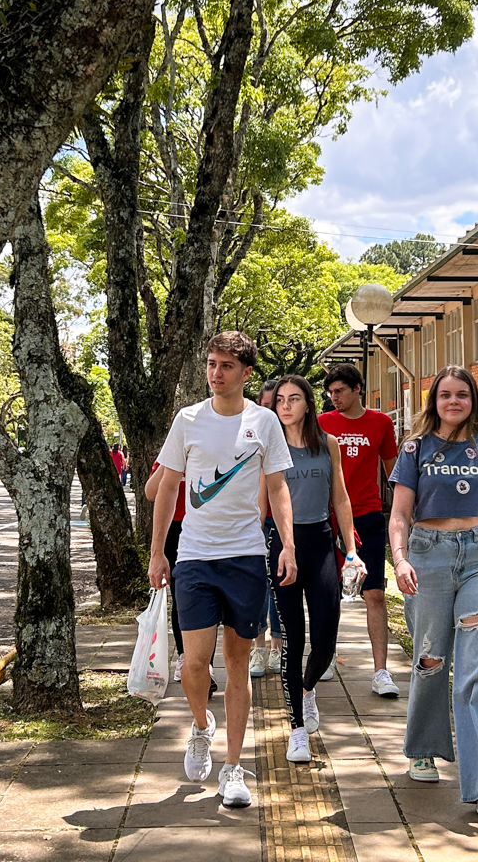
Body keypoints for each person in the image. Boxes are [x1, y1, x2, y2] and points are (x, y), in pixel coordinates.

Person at [149, 331, 296, 809]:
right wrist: (157, 553)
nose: (216, 373)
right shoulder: (188, 419)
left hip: (246, 557)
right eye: (211, 363)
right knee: (193, 664)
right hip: (194, 557)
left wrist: (287, 546)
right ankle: (200, 725)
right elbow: (166, 489)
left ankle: (233, 768)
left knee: (237, 665)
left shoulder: (264, 422)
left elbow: (277, 489)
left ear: (246, 372)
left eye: (227, 365)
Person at [388, 365, 478, 826]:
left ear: (473, 400)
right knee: (431, 658)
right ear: (433, 401)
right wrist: (400, 560)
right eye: (445, 395)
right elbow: (400, 513)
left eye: (462, 395)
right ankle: (422, 749)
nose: (454, 402)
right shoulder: (415, 449)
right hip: (428, 557)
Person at [269, 375, 365, 763]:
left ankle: (307, 689)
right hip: (282, 547)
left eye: (295, 399)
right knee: (292, 638)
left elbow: (340, 499)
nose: (287, 405)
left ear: (309, 404)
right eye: (280, 400)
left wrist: (352, 550)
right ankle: (296, 729)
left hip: (321, 543)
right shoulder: (267, 448)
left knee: (325, 636)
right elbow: (264, 505)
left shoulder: (328, 443)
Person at [319, 363, 401, 698]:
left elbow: (393, 472)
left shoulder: (381, 423)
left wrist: (406, 513)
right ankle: (326, 657)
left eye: (340, 391)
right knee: (327, 595)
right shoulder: (322, 423)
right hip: (328, 518)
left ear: (357, 389)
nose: (334, 398)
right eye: (330, 392)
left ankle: (381, 671)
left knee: (375, 594)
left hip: (367, 516)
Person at [145, 459, 217, 695]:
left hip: (204, 529)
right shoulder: (168, 455)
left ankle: (207, 663)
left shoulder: (208, 449)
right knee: (181, 596)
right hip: (174, 530)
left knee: (208, 596)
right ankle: (186, 656)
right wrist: (171, 462)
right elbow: (151, 492)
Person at [250, 379, 283, 678]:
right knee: (258, 586)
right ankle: (257, 648)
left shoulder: (292, 440)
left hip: (284, 524)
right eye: (267, 404)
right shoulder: (247, 435)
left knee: (281, 589)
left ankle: (277, 648)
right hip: (253, 522)